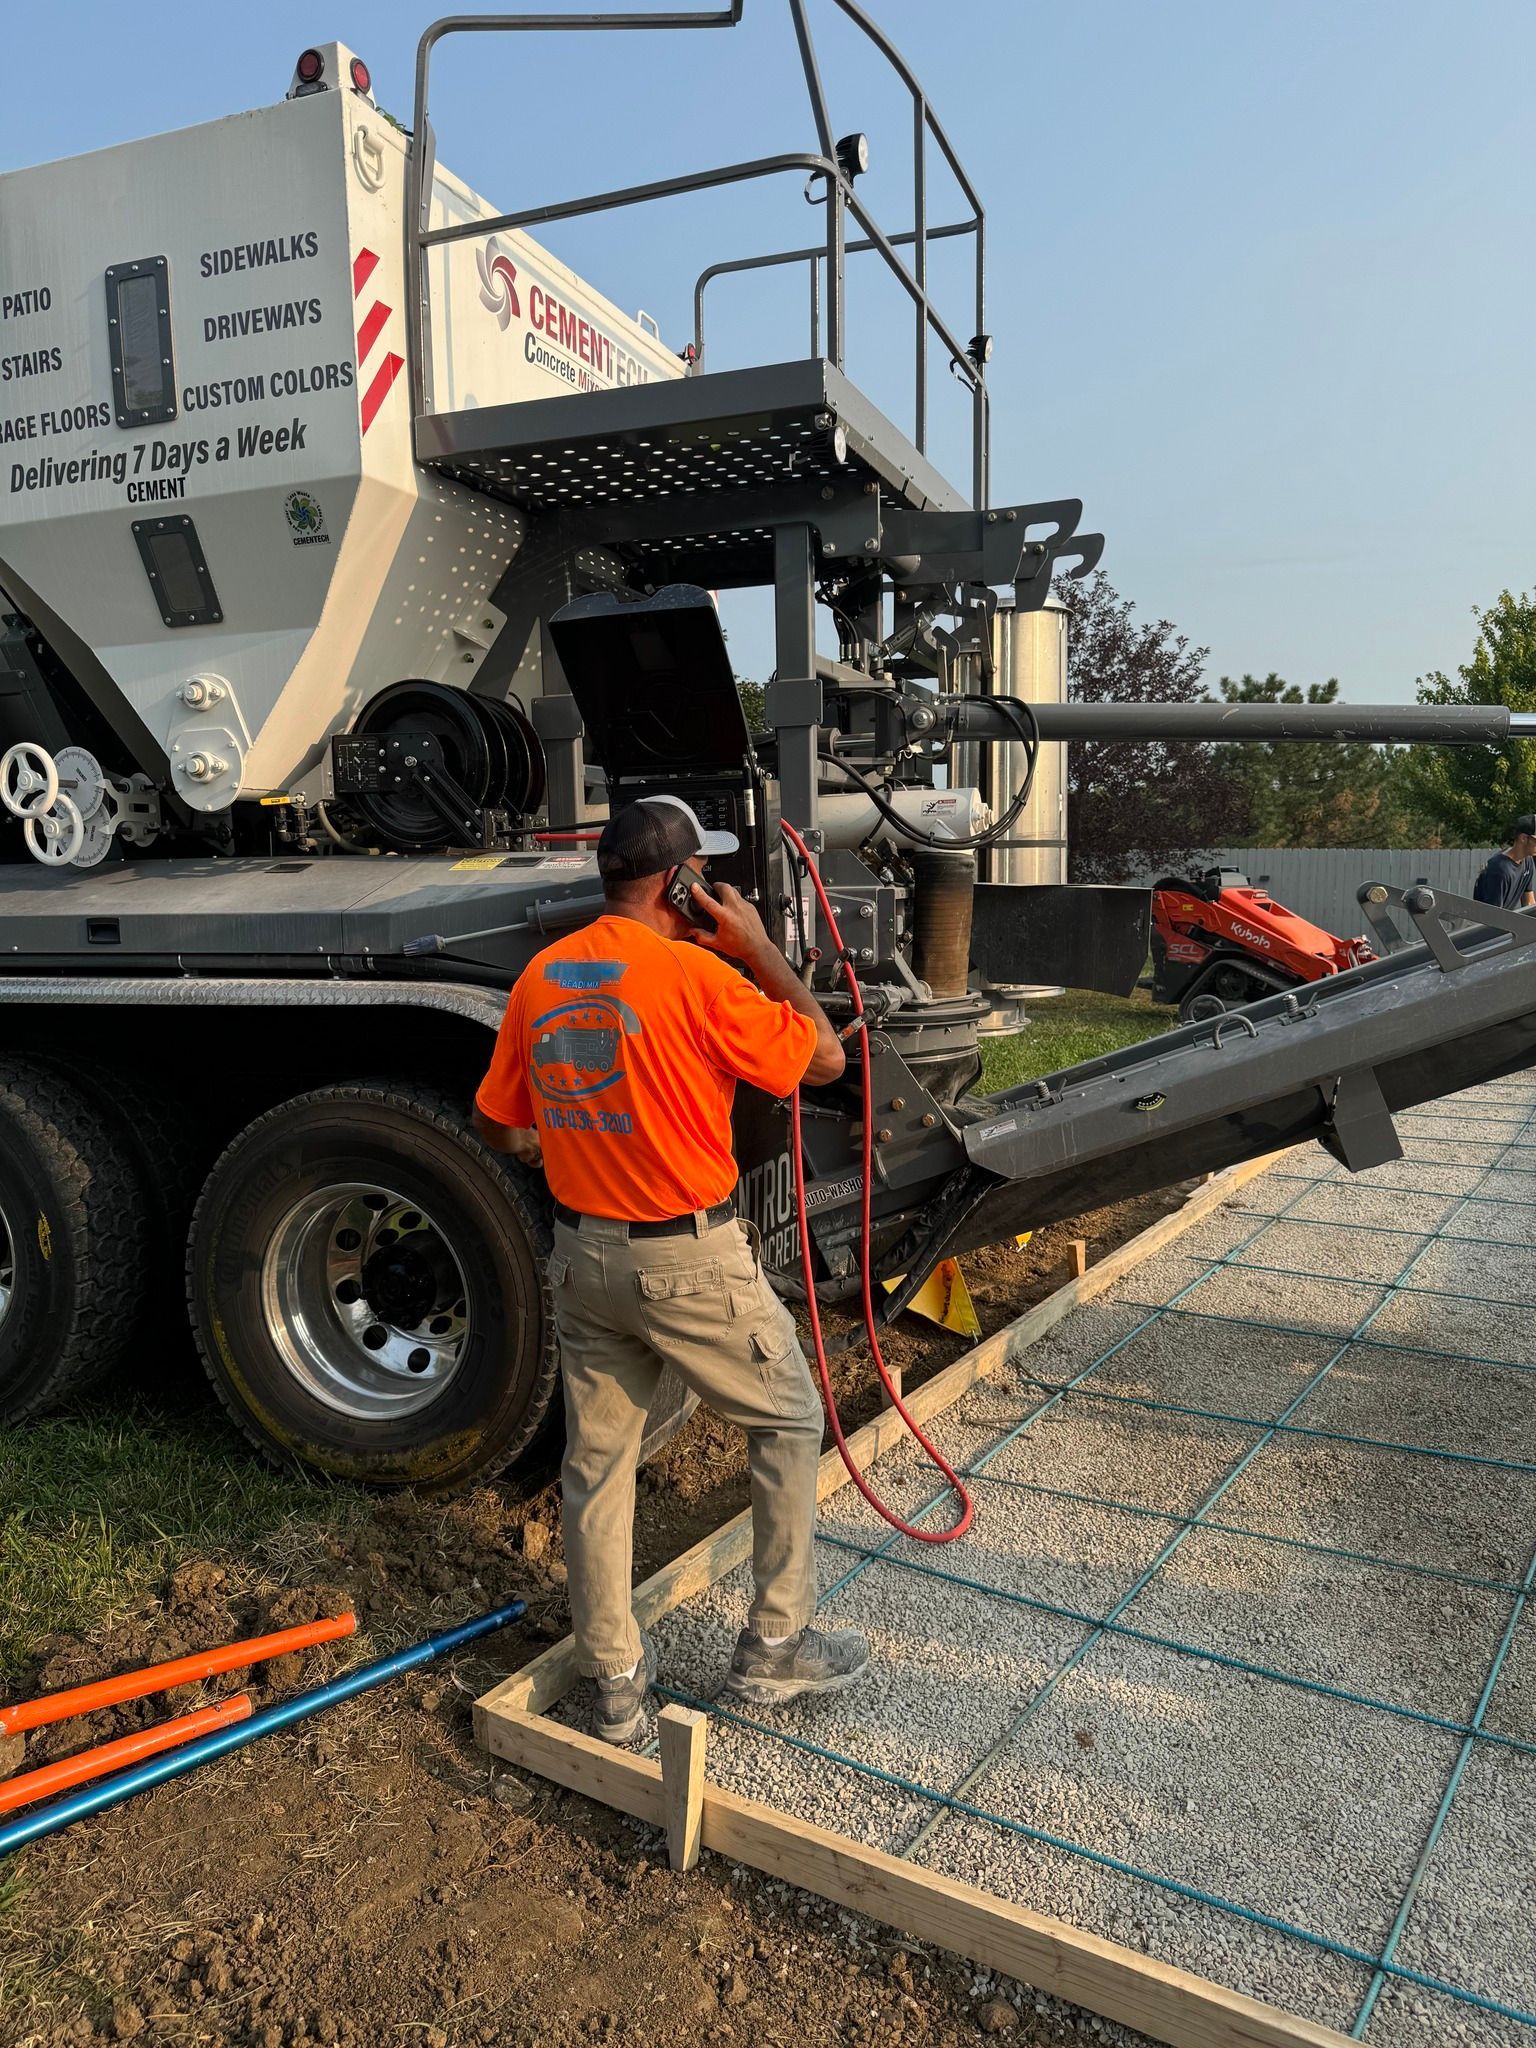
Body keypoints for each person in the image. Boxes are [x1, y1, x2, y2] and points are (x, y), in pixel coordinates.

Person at [474, 794, 869, 1743]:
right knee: (788, 1416)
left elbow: (498, 1122)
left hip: (583, 1256)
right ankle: (774, 1650)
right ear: (682, 882)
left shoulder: (542, 976)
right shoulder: (696, 974)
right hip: (687, 1260)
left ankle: (612, 1682)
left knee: (597, 1464)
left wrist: (554, 1147)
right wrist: (754, 945)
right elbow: (820, 1057)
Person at [1472, 816, 1536, 910]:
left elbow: (1529, 903)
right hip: (1486, 922)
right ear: (1523, 838)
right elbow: (1492, 917)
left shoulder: (1528, 861)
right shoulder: (1499, 870)